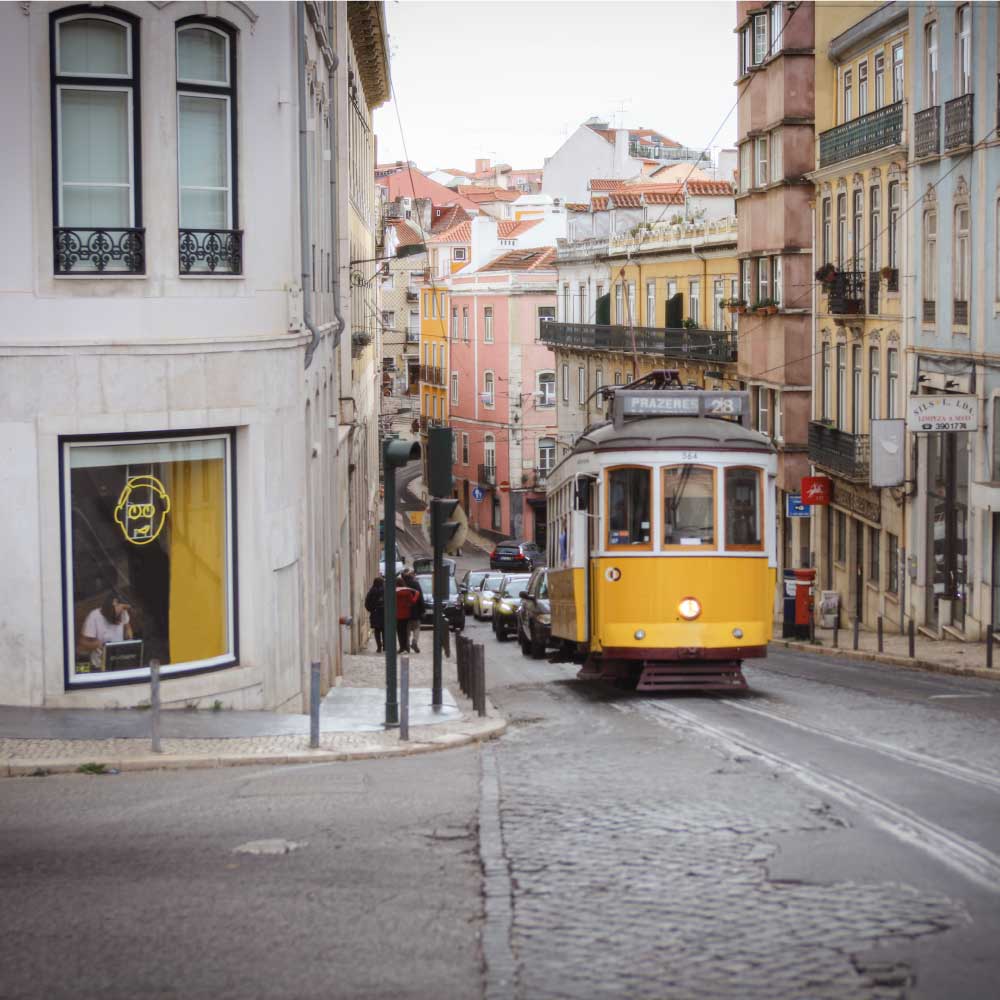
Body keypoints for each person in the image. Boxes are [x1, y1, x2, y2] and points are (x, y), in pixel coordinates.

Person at [78, 591, 132, 671]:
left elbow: (127, 625)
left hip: (119, 661)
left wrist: (128, 633)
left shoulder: (123, 611)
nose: (119, 620)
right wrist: (97, 644)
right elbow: (81, 645)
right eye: (117, 616)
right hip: (99, 666)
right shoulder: (94, 617)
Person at [402, 570, 426, 653]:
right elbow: (420, 597)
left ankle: (407, 645)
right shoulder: (416, 584)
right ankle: (414, 642)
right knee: (416, 628)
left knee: (406, 630)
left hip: (404, 611)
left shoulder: (402, 584)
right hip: (415, 610)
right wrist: (423, 610)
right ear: (411, 576)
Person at [395, 578, 421, 654]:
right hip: (406, 614)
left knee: (399, 632)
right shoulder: (407, 592)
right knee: (405, 632)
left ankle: (401, 647)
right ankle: (406, 648)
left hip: (397, 614)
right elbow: (412, 602)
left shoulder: (395, 592)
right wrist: (416, 594)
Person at [364, 576, 385, 653]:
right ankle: (385, 646)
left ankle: (379, 646)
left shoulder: (372, 591)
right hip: (384, 613)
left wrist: (371, 609)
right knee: (384, 630)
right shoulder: (385, 590)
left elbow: (367, 602)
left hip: (375, 613)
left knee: (377, 630)